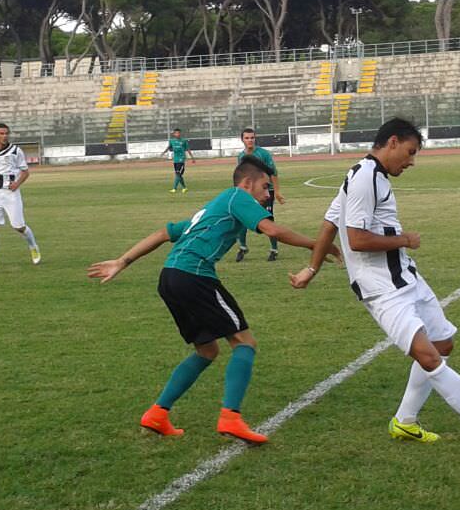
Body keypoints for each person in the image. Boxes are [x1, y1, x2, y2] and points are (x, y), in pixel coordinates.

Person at [288, 118, 460, 463]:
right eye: (409, 152)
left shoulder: (367, 174)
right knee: (429, 357)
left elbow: (329, 223)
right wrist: (405, 239)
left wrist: (312, 268)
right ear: (392, 142)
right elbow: (357, 240)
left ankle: (405, 421)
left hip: (405, 276)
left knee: (443, 343)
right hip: (382, 288)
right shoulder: (364, 177)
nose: (411, 161)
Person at [88, 156, 334, 444]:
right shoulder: (236, 197)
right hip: (194, 275)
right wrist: (318, 244)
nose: (268, 194)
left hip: (170, 277)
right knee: (244, 343)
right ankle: (231, 417)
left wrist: (122, 261)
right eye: (265, 187)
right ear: (246, 183)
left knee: (207, 351)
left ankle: (157, 414)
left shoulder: (208, 210)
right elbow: (273, 230)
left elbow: (162, 233)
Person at [0, 123, 41, 273]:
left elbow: (25, 172)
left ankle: (33, 246)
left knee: (18, 226)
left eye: (6, 133)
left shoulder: (16, 151)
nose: (4, 136)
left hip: (10, 193)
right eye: (1, 133)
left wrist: (17, 183)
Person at [233, 128, 285, 262]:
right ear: (242, 140)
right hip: (249, 193)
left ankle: (274, 249)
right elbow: (242, 175)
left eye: (252, 137)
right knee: (242, 219)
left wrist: (277, 192)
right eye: (247, 138)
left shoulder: (263, 154)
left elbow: (273, 172)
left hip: (266, 191)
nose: (250, 140)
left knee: (267, 220)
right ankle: (243, 247)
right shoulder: (241, 156)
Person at [162, 128, 195, 193]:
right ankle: (184, 188)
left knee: (178, 173)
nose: (178, 134)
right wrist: (163, 152)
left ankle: (174, 188)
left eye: (179, 133)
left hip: (181, 159)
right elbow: (169, 147)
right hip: (175, 160)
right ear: (174, 134)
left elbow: (188, 149)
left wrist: (192, 158)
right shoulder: (172, 141)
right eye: (176, 133)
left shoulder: (184, 141)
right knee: (178, 174)